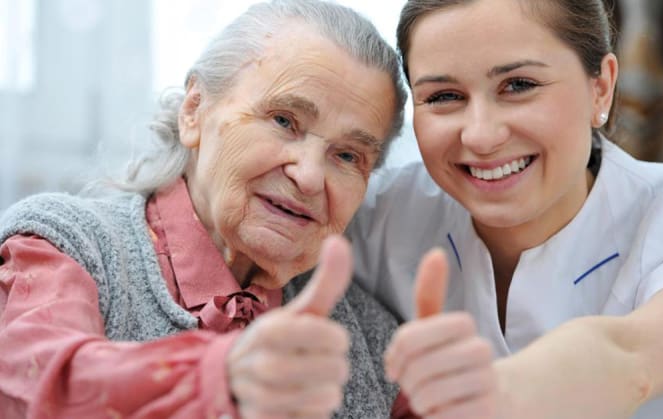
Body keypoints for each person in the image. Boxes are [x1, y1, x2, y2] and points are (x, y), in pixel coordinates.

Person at [348, 0, 663, 418]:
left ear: (600, 87)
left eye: (518, 85)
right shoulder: (377, 216)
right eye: (443, 96)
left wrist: (498, 393)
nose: (481, 135)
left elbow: (633, 357)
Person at [0, 1, 409, 418]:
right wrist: (221, 378)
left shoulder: (374, 339)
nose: (308, 176)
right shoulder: (65, 247)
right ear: (194, 110)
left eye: (347, 156)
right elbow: (38, 391)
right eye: (284, 121)